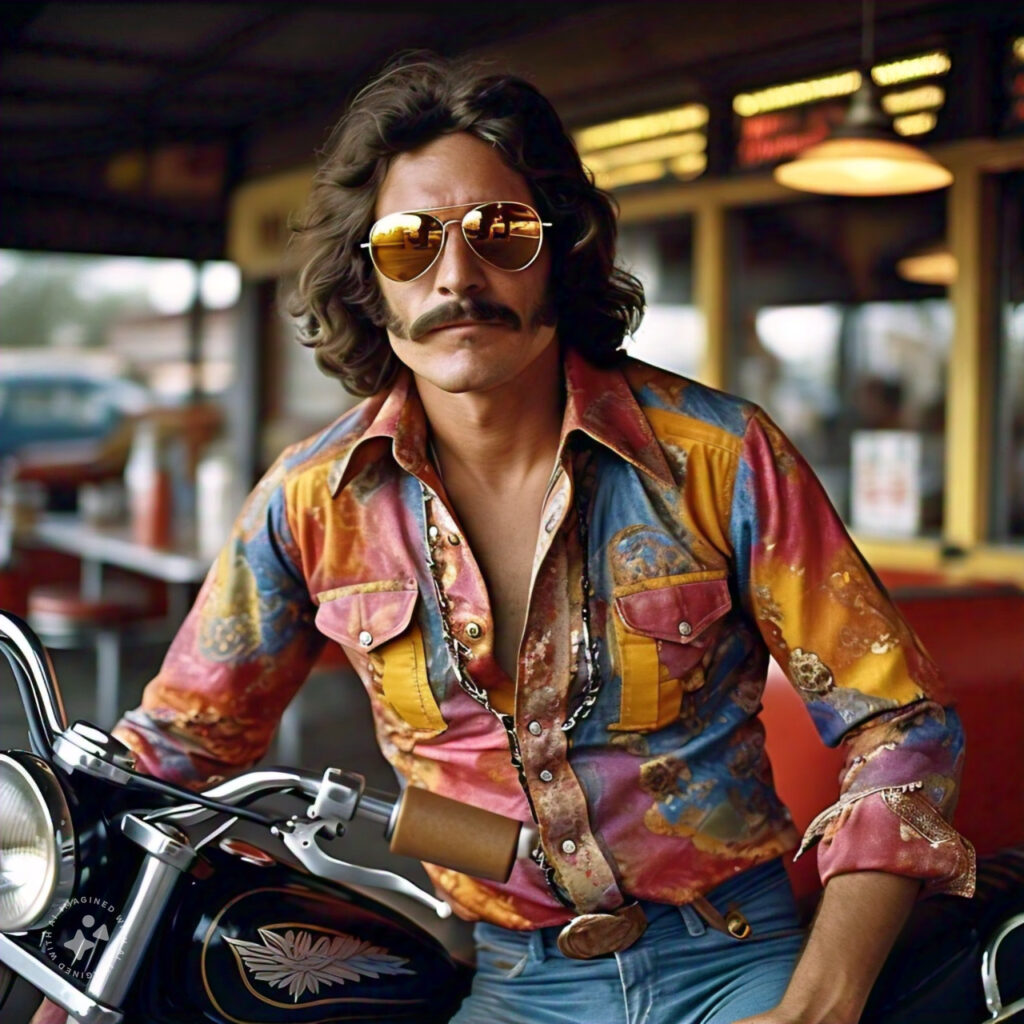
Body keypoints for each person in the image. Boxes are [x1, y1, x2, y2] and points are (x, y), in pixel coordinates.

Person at [37, 52, 974, 1024]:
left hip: (733, 955)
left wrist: (818, 1005)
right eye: (409, 242)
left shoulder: (721, 457)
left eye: (499, 231)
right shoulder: (311, 502)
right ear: (369, 278)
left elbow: (899, 724)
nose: (456, 273)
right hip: (512, 979)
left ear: (557, 249)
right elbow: (176, 748)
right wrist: (67, 951)